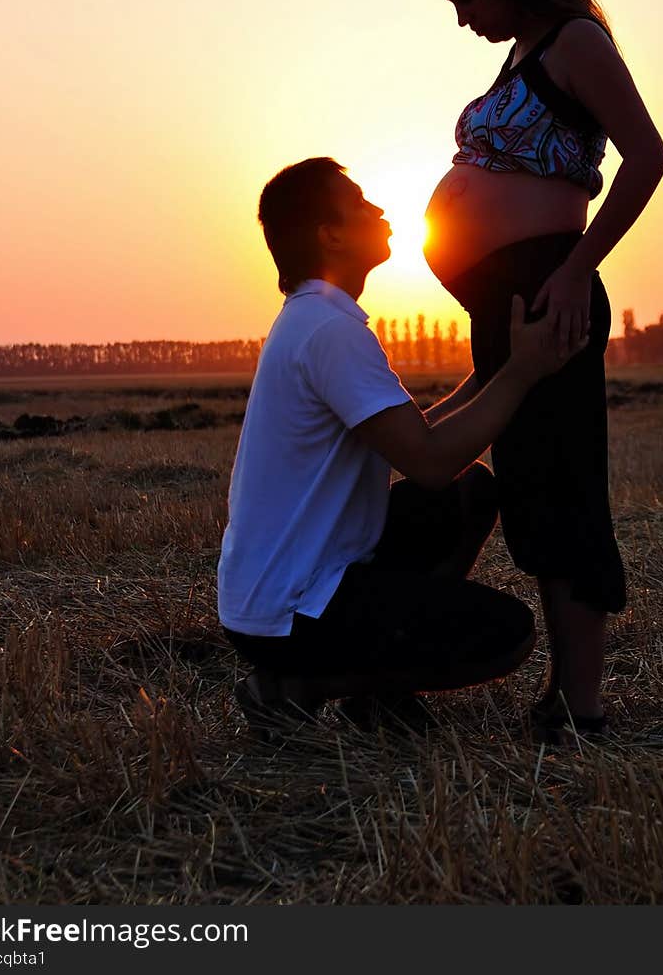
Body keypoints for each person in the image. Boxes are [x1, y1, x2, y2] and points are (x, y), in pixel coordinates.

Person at [218, 156, 585, 734]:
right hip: (289, 613)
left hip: (276, 597)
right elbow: (431, 461)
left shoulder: (313, 319)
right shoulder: (330, 332)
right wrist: (523, 374)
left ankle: (373, 691)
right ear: (330, 234)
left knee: (467, 495)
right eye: (361, 202)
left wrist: (496, 371)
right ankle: (294, 687)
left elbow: (416, 436)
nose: (379, 209)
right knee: (505, 634)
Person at [423, 0, 663, 738]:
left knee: (560, 486)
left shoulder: (575, 43)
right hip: (508, 297)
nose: (463, 18)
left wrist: (574, 269)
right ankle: (567, 697)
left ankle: (581, 705)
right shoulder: (523, 55)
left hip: (548, 291)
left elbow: (649, 156)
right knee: (529, 485)